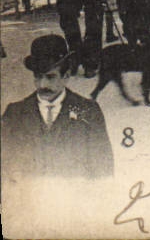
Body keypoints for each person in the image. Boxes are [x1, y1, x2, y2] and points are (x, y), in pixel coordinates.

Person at [1, 35, 115, 185]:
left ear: (66, 76)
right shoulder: (14, 113)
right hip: (29, 202)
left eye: (50, 77)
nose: (42, 84)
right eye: (38, 77)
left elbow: (103, 170)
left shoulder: (88, 111)